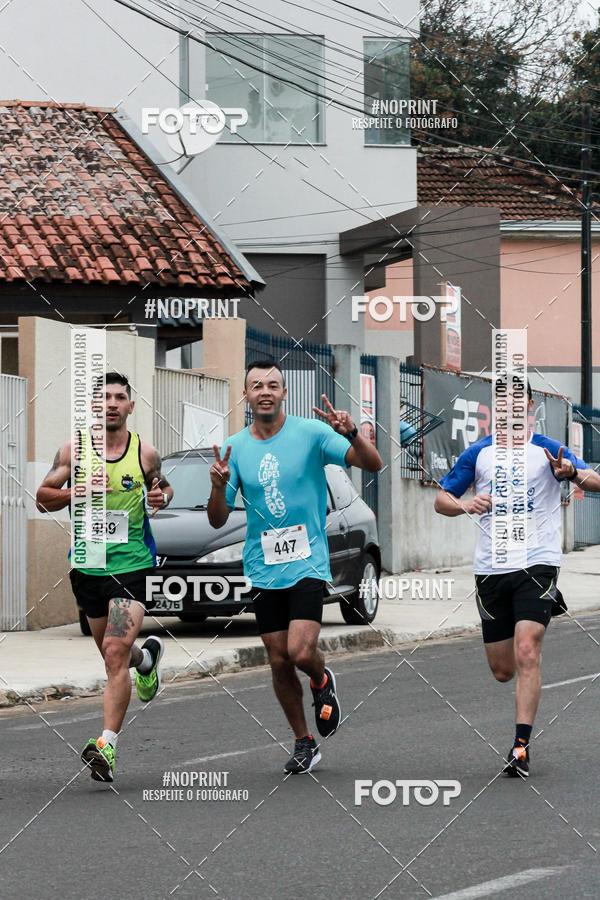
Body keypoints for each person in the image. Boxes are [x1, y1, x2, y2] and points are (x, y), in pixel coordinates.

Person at [207, 360, 382, 774]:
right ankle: (305, 742)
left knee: (300, 650)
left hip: (307, 562)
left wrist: (352, 433)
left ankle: (321, 681)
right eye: (256, 386)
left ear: (284, 393)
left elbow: (373, 464)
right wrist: (217, 487)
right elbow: (217, 518)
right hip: (264, 567)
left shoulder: (312, 433)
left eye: (272, 385)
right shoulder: (235, 448)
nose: (264, 391)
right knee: (278, 660)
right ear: (246, 396)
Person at [434, 381, 600, 777]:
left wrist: (572, 473)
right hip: (491, 568)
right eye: (501, 400)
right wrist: (465, 503)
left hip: (537, 562)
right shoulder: (480, 452)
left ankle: (520, 747)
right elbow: (441, 500)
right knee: (502, 669)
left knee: (528, 651)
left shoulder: (547, 448)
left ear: (529, 405)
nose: (509, 407)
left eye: (516, 400)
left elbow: (595, 480)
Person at [35, 372, 173, 782]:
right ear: (94, 407)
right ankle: (145, 661)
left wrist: (160, 497)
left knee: (114, 652)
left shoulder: (145, 454)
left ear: (131, 406)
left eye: (119, 397)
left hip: (132, 565)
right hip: (88, 565)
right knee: (116, 656)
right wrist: (76, 492)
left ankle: (106, 746)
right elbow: (43, 499)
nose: (111, 403)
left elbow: (164, 489)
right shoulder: (73, 451)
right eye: (104, 398)